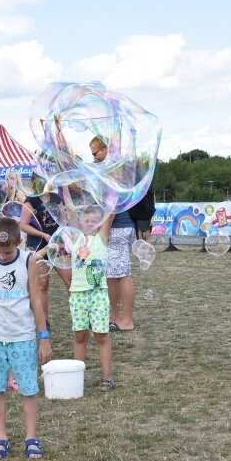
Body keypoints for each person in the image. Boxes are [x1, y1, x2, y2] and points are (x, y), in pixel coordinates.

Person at [0, 217, 51, 460]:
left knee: (28, 388)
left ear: (19, 242)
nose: (3, 256)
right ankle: (1, 437)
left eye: (8, 251)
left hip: (23, 336)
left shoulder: (28, 260)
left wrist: (43, 337)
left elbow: (36, 300)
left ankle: (31, 438)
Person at [90, 136, 136, 332]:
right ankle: (114, 316)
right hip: (116, 227)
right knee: (111, 274)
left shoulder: (113, 171)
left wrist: (103, 231)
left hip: (116, 228)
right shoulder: (112, 170)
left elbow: (111, 205)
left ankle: (126, 320)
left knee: (122, 274)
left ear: (106, 148)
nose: (94, 157)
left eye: (96, 152)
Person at [70, 206, 115, 391]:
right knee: (80, 336)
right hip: (78, 294)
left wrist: (113, 193)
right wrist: (64, 186)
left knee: (101, 336)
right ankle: (76, 378)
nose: (90, 224)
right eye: (86, 220)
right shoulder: (75, 237)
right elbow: (71, 209)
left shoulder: (101, 238)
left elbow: (111, 211)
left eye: (94, 221)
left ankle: (107, 377)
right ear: (80, 222)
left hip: (98, 294)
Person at [19, 193, 72, 329]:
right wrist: (42, 234)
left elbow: (64, 219)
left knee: (71, 280)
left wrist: (61, 232)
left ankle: (79, 315)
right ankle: (44, 321)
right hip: (37, 246)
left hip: (57, 244)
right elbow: (23, 225)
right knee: (42, 284)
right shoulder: (31, 200)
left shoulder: (56, 197)